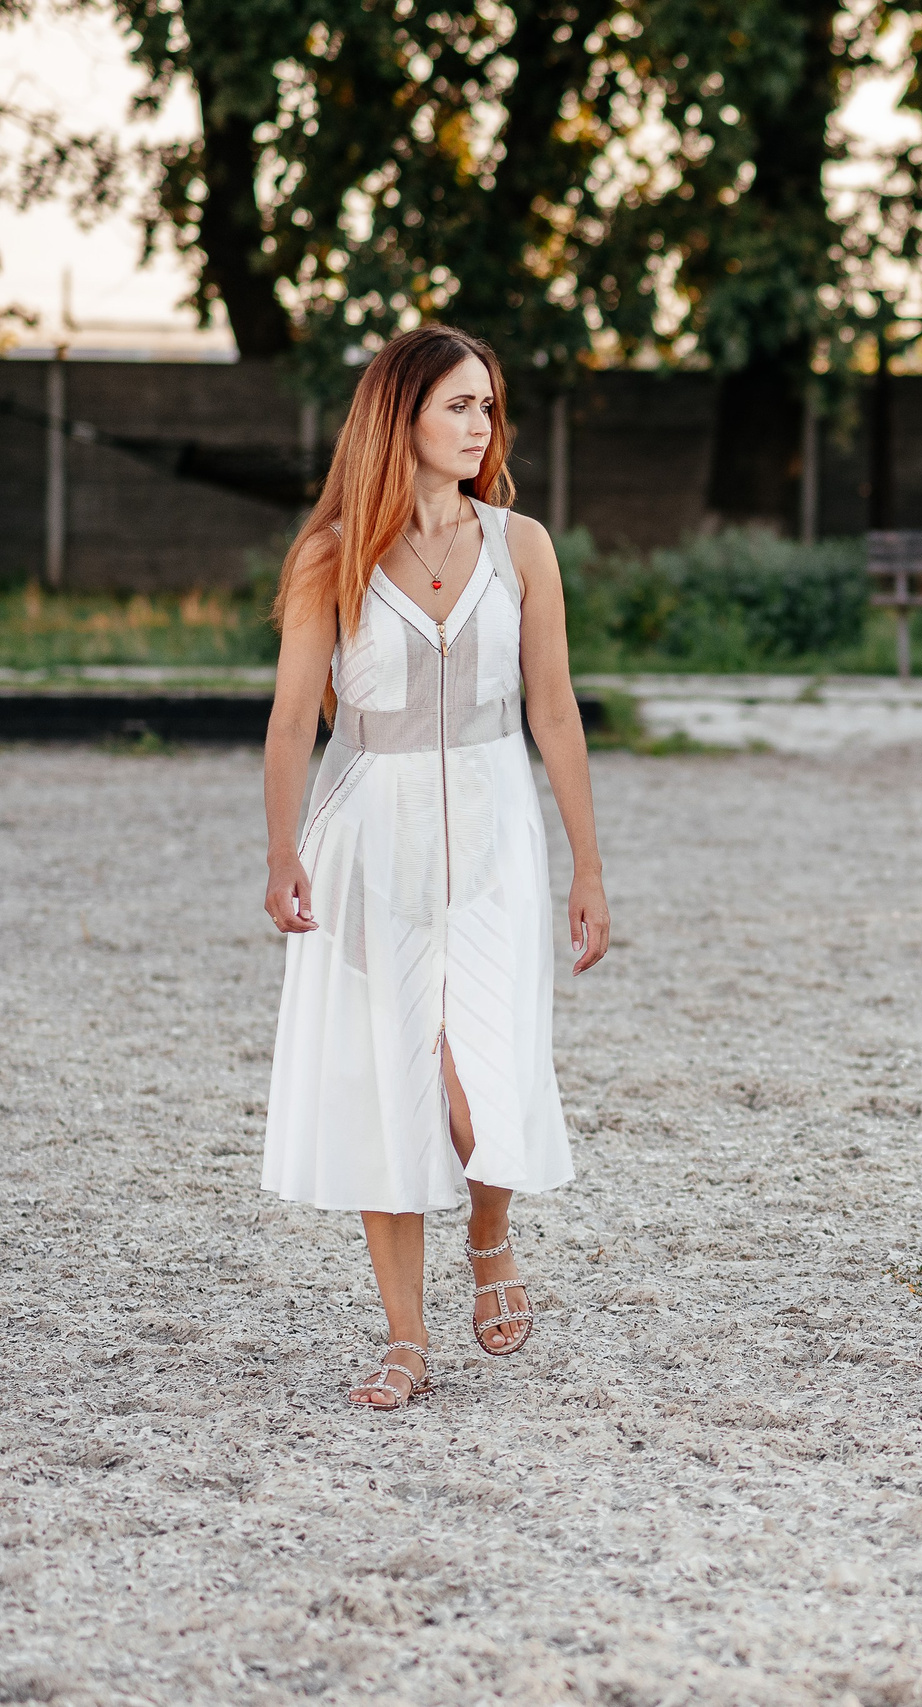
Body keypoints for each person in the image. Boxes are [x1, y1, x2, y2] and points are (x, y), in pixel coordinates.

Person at [259, 325, 610, 1411]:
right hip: (372, 841)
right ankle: (405, 1340)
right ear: (399, 417)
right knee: (384, 1084)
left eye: (487, 407)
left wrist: (586, 868)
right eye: (459, 405)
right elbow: (288, 724)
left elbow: (553, 709)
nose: (480, 426)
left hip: (498, 833)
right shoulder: (332, 557)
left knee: (477, 1087)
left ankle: (491, 1233)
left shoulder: (523, 547)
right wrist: (281, 853)